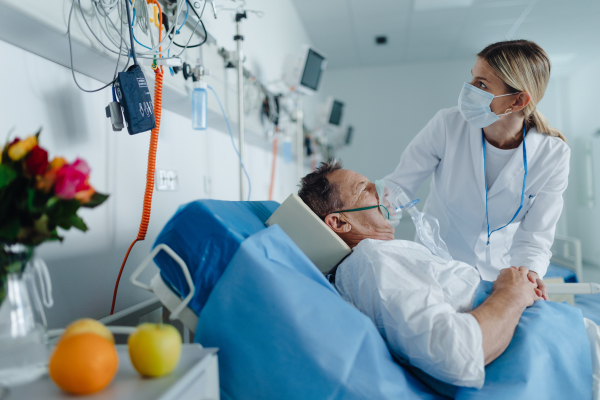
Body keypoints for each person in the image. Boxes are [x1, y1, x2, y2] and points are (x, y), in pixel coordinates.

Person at [298, 161, 600, 393]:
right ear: (339, 222)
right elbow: (458, 353)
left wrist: (514, 286)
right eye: (365, 190)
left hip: (562, 347)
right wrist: (512, 294)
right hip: (572, 361)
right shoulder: (373, 261)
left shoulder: (379, 259)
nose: (382, 191)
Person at [384, 40, 569, 296]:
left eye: (481, 84)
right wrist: (379, 211)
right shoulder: (448, 125)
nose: (467, 90)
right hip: (436, 266)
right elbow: (399, 184)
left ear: (517, 101)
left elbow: (535, 237)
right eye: (472, 79)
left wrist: (529, 273)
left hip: (497, 275)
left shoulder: (552, 155)